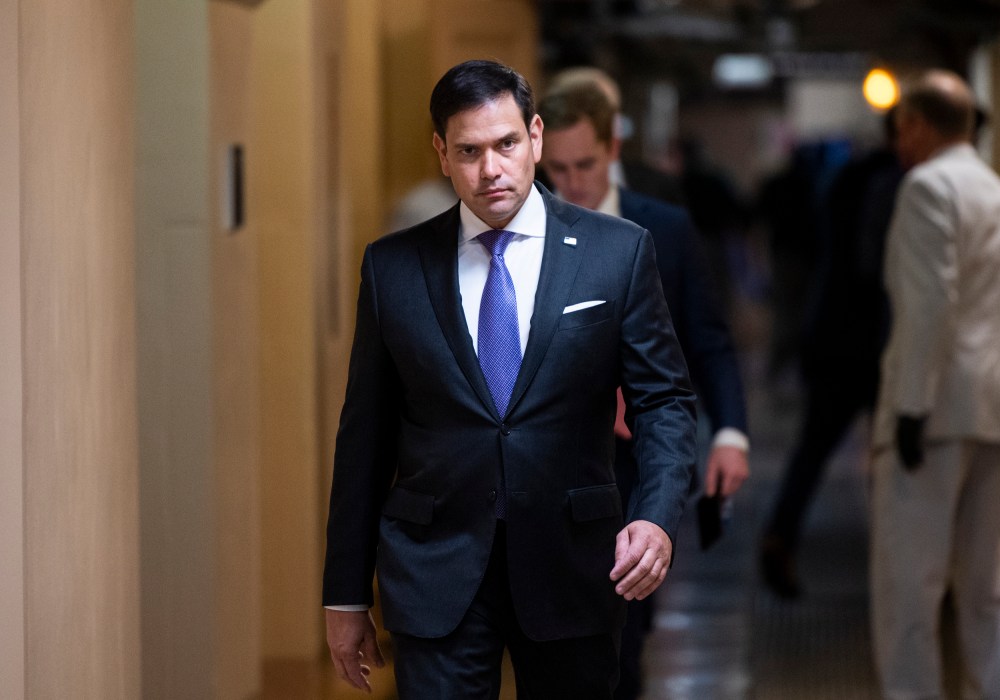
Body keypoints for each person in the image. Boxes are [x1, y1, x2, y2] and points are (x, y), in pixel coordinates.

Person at [322, 59, 698, 699]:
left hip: (574, 563)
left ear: (537, 138)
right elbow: (365, 437)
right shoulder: (394, 269)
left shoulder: (618, 252)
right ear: (442, 152)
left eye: (506, 145)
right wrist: (345, 594)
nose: (490, 169)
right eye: (469, 151)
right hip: (434, 568)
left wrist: (656, 516)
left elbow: (663, 401)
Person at [537, 79, 749, 700]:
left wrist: (730, 433)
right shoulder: (527, 231)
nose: (573, 181)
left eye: (586, 164)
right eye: (559, 168)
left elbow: (708, 339)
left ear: (613, 148)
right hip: (554, 460)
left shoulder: (664, 227)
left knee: (626, 632)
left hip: (638, 463)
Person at [870, 69, 1000, 699]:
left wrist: (912, 409)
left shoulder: (927, 186)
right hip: (993, 413)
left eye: (901, 129)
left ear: (917, 124)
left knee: (910, 591)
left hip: (936, 411)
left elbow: (930, 305)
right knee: (986, 593)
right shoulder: (993, 189)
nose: (898, 143)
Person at [760, 111, 902, 598]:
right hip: (869, 340)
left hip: (828, 329)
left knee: (814, 446)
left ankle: (780, 536)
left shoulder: (844, 175)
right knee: (892, 457)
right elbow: (872, 265)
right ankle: (896, 566)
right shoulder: (896, 181)